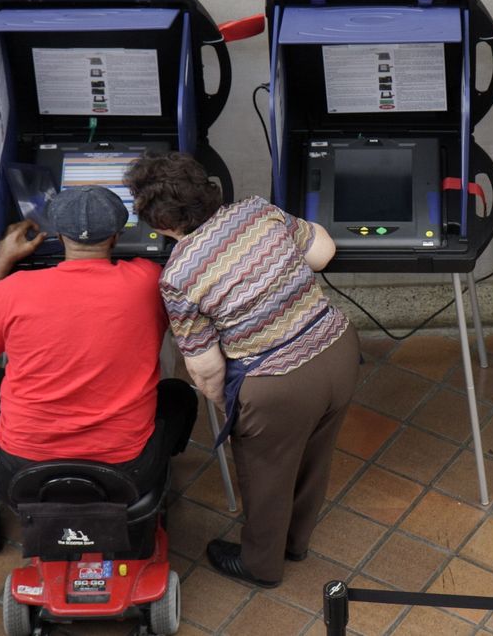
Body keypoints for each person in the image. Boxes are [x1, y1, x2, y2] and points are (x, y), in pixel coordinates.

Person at [125, 151, 359, 588]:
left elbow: (207, 368)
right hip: (338, 349)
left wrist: (237, 408)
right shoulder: (257, 210)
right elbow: (322, 252)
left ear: (161, 225)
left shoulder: (178, 276)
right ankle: (297, 543)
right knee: (314, 456)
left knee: (266, 476)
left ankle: (261, 565)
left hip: (277, 386)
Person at [0, 185, 197, 556]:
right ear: (117, 235)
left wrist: (1, 261)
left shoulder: (16, 288)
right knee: (179, 395)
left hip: (18, 471)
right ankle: (155, 485)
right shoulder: (148, 280)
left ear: (57, 234)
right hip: (125, 471)